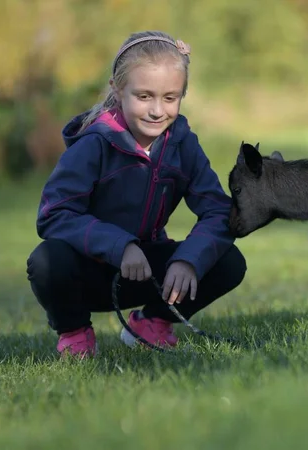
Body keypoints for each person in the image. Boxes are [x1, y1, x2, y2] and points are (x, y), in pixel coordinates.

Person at [26, 30, 246, 358]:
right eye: (144, 96)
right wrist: (120, 245)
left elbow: (219, 211)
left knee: (228, 261)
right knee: (46, 260)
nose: (157, 110)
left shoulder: (183, 145)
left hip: (145, 270)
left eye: (170, 98)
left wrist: (188, 260)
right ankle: (75, 333)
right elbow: (54, 214)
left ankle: (152, 323)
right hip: (88, 271)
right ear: (118, 90)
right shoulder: (94, 144)